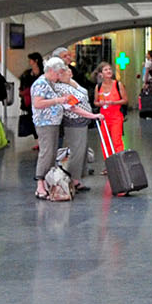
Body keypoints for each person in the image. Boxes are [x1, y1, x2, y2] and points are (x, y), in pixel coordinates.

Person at [30, 57, 93, 200]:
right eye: (58, 73)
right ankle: (40, 184)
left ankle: (47, 182)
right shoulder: (41, 84)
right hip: (45, 123)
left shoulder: (51, 83)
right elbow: (38, 103)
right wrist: (57, 101)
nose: (59, 76)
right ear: (51, 70)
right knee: (46, 153)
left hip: (53, 122)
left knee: (52, 154)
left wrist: (91, 115)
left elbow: (74, 103)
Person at [92, 60, 127, 169]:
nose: (108, 71)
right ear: (101, 74)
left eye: (110, 69)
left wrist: (114, 102)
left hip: (116, 116)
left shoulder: (118, 84)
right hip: (104, 117)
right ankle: (109, 164)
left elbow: (125, 100)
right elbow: (95, 102)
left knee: (117, 140)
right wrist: (100, 103)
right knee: (105, 141)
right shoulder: (98, 87)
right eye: (105, 69)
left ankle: (120, 163)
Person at [18, 51, 45, 143]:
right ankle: (38, 141)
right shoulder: (27, 74)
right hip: (30, 102)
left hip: (41, 100)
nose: (29, 62)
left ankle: (41, 141)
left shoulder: (43, 73)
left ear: (35, 61)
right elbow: (22, 86)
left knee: (41, 121)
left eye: (31, 60)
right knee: (32, 120)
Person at [139, 54, 152, 120]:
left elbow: (146, 73)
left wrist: (145, 83)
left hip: (148, 82)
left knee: (148, 97)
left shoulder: (148, 63)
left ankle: (148, 111)